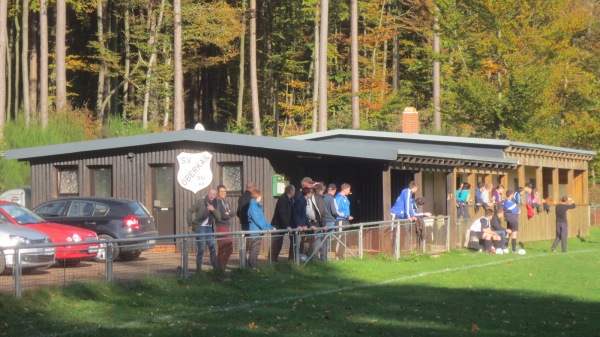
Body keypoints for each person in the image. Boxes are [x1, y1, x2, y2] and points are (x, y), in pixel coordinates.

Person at [187, 188, 219, 271]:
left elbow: (219, 218)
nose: (211, 196)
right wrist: (190, 223)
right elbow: (190, 211)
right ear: (208, 193)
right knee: (201, 248)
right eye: (210, 194)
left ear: (216, 196)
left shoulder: (216, 203)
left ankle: (216, 269)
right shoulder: (201, 201)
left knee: (212, 248)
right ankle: (199, 269)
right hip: (200, 227)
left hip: (209, 228)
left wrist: (213, 210)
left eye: (213, 194)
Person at [247, 189, 275, 268]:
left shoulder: (256, 207)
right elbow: (258, 220)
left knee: (256, 250)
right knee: (254, 250)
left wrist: (270, 227)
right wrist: (267, 228)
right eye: (260, 196)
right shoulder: (253, 207)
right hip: (255, 232)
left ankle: (253, 266)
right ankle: (252, 267)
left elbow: (262, 219)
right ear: (258, 196)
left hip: (258, 231)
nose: (261, 197)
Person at [269, 184, 296, 262]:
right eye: (294, 191)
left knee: (279, 244)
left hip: (283, 226)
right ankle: (272, 260)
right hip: (278, 225)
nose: (294, 192)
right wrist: (287, 225)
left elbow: (291, 214)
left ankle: (274, 260)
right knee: (276, 244)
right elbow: (282, 213)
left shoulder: (290, 200)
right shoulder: (282, 199)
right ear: (291, 191)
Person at [390, 181, 418, 253]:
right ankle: (392, 252)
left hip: (400, 215)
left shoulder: (407, 193)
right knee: (394, 232)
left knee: (402, 232)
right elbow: (407, 205)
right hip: (396, 214)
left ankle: (398, 250)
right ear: (414, 188)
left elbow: (410, 207)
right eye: (416, 189)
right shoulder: (407, 192)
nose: (416, 191)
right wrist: (409, 216)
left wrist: (413, 216)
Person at [214, 184, 234, 270]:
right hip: (221, 227)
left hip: (227, 228)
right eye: (221, 191)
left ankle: (223, 266)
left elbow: (233, 212)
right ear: (218, 192)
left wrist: (228, 213)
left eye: (224, 191)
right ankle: (220, 268)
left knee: (229, 249)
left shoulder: (225, 202)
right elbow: (223, 216)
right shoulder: (217, 202)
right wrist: (228, 213)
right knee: (222, 249)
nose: (223, 193)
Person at [334, 183, 353, 259]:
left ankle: (341, 255)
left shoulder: (345, 197)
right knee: (340, 237)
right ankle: (338, 256)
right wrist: (346, 216)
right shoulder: (338, 198)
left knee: (344, 238)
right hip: (340, 220)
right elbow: (337, 210)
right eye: (349, 189)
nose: (349, 191)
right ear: (345, 189)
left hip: (346, 220)